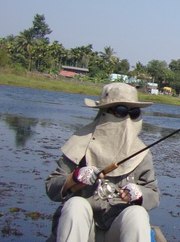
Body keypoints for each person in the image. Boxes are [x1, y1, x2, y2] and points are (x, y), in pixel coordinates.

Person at [45, 83, 160, 242]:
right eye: (120, 111)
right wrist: (74, 177)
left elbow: (153, 194)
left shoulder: (141, 152)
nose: (127, 119)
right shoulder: (79, 143)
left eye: (133, 113)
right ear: (105, 112)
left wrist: (140, 194)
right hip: (82, 228)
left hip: (117, 229)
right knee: (75, 205)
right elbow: (52, 189)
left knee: (138, 214)